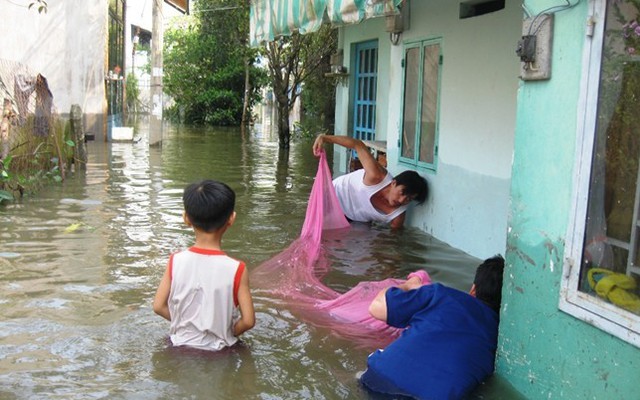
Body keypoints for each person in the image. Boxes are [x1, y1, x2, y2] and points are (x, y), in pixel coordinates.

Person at [359, 255, 505, 399]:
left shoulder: (441, 295)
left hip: (376, 379)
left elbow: (376, 307)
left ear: (473, 289)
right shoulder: (501, 339)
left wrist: (410, 284)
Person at [153, 179, 255, 351]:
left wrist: (187, 324)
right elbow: (248, 321)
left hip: (179, 348)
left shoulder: (175, 261)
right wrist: (225, 331)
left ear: (186, 218)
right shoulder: (237, 268)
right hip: (220, 352)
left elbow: (158, 306)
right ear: (231, 219)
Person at [312, 134, 428, 229]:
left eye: (409, 199)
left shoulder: (397, 215)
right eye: (402, 193)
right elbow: (357, 144)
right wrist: (325, 138)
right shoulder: (376, 175)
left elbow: (394, 240)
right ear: (393, 183)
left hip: (355, 218)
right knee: (319, 231)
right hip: (335, 195)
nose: (402, 200)